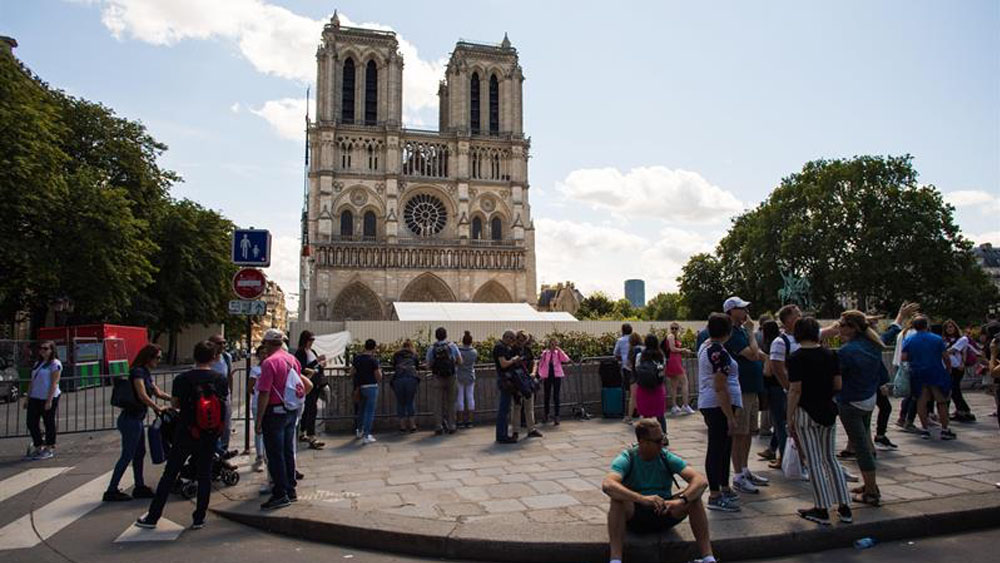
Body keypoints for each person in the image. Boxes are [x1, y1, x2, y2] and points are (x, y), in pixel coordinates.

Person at [135, 340, 229, 529]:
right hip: (209, 433)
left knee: (170, 474)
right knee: (204, 475)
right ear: (213, 358)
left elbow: (176, 404)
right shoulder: (219, 378)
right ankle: (199, 518)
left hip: (186, 430)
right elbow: (223, 405)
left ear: (195, 356)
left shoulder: (182, 379)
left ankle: (153, 517)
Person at [602, 418, 716, 563]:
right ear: (643, 442)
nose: (662, 444)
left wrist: (681, 500)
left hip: (665, 510)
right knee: (617, 501)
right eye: (657, 441)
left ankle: (708, 557)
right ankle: (616, 560)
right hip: (636, 514)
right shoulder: (627, 458)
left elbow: (700, 480)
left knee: (694, 497)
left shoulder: (665, 456)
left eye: (663, 439)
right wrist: (641, 499)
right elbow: (608, 484)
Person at [786, 317, 852, 525]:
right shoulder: (830, 354)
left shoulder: (796, 357)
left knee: (813, 461)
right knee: (830, 459)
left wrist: (789, 417)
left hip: (806, 411)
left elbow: (795, 389)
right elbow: (838, 384)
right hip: (828, 409)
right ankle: (844, 505)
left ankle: (822, 507)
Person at [104, 344, 170, 502]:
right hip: (130, 419)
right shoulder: (138, 372)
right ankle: (111, 490)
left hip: (136, 419)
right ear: (149, 357)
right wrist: (156, 407)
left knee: (139, 454)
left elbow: (157, 392)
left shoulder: (146, 372)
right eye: (158, 358)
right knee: (127, 455)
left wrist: (174, 400)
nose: (159, 361)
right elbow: (142, 394)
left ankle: (139, 486)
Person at [835, 310, 887, 506]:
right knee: (864, 439)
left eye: (841, 324)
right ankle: (869, 484)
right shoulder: (873, 344)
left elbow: (837, 378)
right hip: (869, 398)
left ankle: (872, 491)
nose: (838, 328)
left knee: (861, 448)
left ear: (852, 328)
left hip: (851, 401)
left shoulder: (847, 351)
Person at [255, 329, 311, 510]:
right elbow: (303, 384)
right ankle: (290, 489)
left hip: (274, 412)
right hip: (290, 411)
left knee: (275, 454)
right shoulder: (291, 359)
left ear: (267, 343)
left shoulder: (269, 363)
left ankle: (280, 494)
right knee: (288, 451)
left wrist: (258, 420)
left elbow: (264, 393)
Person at [721, 297, 769, 495]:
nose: (746, 311)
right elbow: (752, 353)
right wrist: (751, 332)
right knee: (739, 433)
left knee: (748, 431)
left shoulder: (740, 330)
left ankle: (745, 469)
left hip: (750, 386)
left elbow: (757, 353)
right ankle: (738, 474)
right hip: (741, 388)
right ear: (731, 311)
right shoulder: (733, 332)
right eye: (741, 308)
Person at [698, 313, 742, 512]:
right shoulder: (719, 352)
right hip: (718, 405)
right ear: (728, 331)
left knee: (723, 447)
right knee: (717, 448)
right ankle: (715, 494)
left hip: (712, 403)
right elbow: (720, 386)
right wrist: (730, 416)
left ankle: (723, 486)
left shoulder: (707, 346)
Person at [902, 315, 956, 441]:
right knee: (941, 401)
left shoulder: (909, 339)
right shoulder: (936, 339)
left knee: (921, 401)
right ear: (927, 325)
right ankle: (944, 429)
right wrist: (948, 370)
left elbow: (904, 357)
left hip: (918, 373)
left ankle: (925, 429)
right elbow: (946, 357)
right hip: (936, 371)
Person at [758, 305, 798, 470]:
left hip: (775, 387)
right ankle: (774, 450)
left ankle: (783, 456)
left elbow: (768, 371)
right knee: (782, 422)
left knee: (780, 424)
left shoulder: (771, 344)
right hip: (786, 386)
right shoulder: (787, 340)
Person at [24, 340, 62, 460]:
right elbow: (32, 381)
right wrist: (27, 398)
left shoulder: (55, 364)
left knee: (48, 421)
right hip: (35, 396)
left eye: (46, 349)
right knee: (31, 422)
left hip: (48, 396)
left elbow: (54, 383)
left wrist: (49, 400)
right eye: (41, 348)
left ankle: (50, 447)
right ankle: (39, 444)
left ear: (52, 350)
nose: (42, 351)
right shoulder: (38, 363)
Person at [425, 327, 462, 435]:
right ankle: (452, 425)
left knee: (437, 403)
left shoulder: (432, 348)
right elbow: (460, 361)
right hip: (451, 376)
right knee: (451, 402)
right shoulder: (452, 346)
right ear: (446, 335)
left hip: (437, 377)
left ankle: (438, 426)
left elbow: (428, 364)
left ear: (436, 336)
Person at [294, 330, 327, 449]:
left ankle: (304, 431)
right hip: (308, 383)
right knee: (310, 408)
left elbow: (314, 366)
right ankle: (311, 434)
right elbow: (301, 368)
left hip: (316, 382)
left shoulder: (311, 351)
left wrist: (321, 365)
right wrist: (316, 362)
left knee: (310, 408)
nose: (311, 343)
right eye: (310, 340)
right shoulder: (301, 352)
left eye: (313, 340)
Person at [510, 331, 543, 439]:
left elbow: (534, 362)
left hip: (527, 380)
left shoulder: (527, 350)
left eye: (523, 339)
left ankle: (531, 429)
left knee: (529, 406)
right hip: (517, 382)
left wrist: (533, 373)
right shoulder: (512, 350)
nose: (521, 341)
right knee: (517, 406)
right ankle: (515, 431)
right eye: (519, 338)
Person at [633, 334, 668, 435]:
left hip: (643, 389)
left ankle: (645, 437)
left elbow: (636, 369)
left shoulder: (640, 356)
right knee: (660, 415)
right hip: (657, 388)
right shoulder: (661, 356)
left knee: (645, 415)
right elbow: (663, 371)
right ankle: (663, 435)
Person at [207, 334, 234, 456]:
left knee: (226, 424)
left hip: (224, 395)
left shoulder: (226, 357)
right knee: (212, 424)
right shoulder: (207, 357)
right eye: (219, 343)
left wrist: (230, 392)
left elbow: (229, 376)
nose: (222, 346)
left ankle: (223, 449)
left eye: (223, 343)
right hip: (210, 396)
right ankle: (215, 449)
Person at [943, 319, 975, 422]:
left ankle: (964, 410)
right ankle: (960, 410)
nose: (949, 329)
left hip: (957, 368)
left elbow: (956, 351)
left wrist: (962, 363)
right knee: (951, 389)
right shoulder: (944, 340)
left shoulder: (962, 339)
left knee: (954, 388)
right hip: (947, 367)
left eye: (951, 327)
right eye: (947, 327)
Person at [352, 339, 382, 444]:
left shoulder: (357, 359)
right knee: (370, 412)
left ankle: (359, 430)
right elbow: (378, 376)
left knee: (361, 410)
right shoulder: (373, 360)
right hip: (371, 386)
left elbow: (353, 372)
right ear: (374, 347)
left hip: (360, 387)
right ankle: (367, 435)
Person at [494, 330, 520, 444]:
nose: (513, 342)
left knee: (505, 408)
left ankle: (503, 434)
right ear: (507, 338)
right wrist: (513, 360)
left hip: (506, 379)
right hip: (504, 380)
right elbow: (503, 363)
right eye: (512, 339)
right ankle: (502, 435)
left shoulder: (503, 347)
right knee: (504, 409)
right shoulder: (500, 348)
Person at [662, 323, 695, 415]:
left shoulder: (671, 336)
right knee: (684, 382)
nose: (674, 330)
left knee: (674, 385)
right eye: (672, 328)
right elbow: (672, 349)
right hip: (674, 361)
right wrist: (684, 350)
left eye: (675, 328)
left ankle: (674, 406)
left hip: (674, 360)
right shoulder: (671, 336)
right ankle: (685, 404)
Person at [391, 339, 421, 432]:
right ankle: (412, 425)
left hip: (399, 379)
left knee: (400, 402)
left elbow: (393, 365)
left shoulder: (396, 355)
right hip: (411, 378)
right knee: (410, 401)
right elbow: (417, 366)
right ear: (411, 346)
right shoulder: (414, 354)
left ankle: (402, 426)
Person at [538, 337, 570, 424]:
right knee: (547, 396)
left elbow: (566, 359)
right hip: (547, 375)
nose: (553, 346)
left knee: (556, 396)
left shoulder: (558, 353)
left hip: (556, 375)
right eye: (552, 344)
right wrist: (540, 374)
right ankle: (546, 414)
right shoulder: (545, 353)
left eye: (555, 344)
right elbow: (541, 363)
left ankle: (557, 416)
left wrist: (560, 350)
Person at [249, 346, 266, 472]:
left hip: (269, 403)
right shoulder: (255, 370)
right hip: (257, 402)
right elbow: (250, 387)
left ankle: (266, 455)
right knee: (258, 429)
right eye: (262, 353)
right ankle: (260, 456)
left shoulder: (271, 367)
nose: (264, 355)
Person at [456, 331, 478, 428]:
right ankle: (470, 420)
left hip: (459, 375)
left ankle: (460, 420)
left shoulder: (459, 351)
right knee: (470, 397)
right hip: (470, 375)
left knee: (460, 398)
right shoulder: (474, 352)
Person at [614, 323, 634, 423]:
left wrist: (621, 358)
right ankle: (636, 411)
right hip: (637, 367)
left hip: (626, 366)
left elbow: (615, 353)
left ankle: (627, 413)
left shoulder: (620, 340)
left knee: (627, 390)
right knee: (635, 391)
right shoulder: (635, 339)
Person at [625, 332, 643, 421]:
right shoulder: (643, 348)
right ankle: (642, 413)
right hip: (644, 374)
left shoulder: (632, 350)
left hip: (634, 374)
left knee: (633, 396)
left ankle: (629, 416)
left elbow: (628, 363)